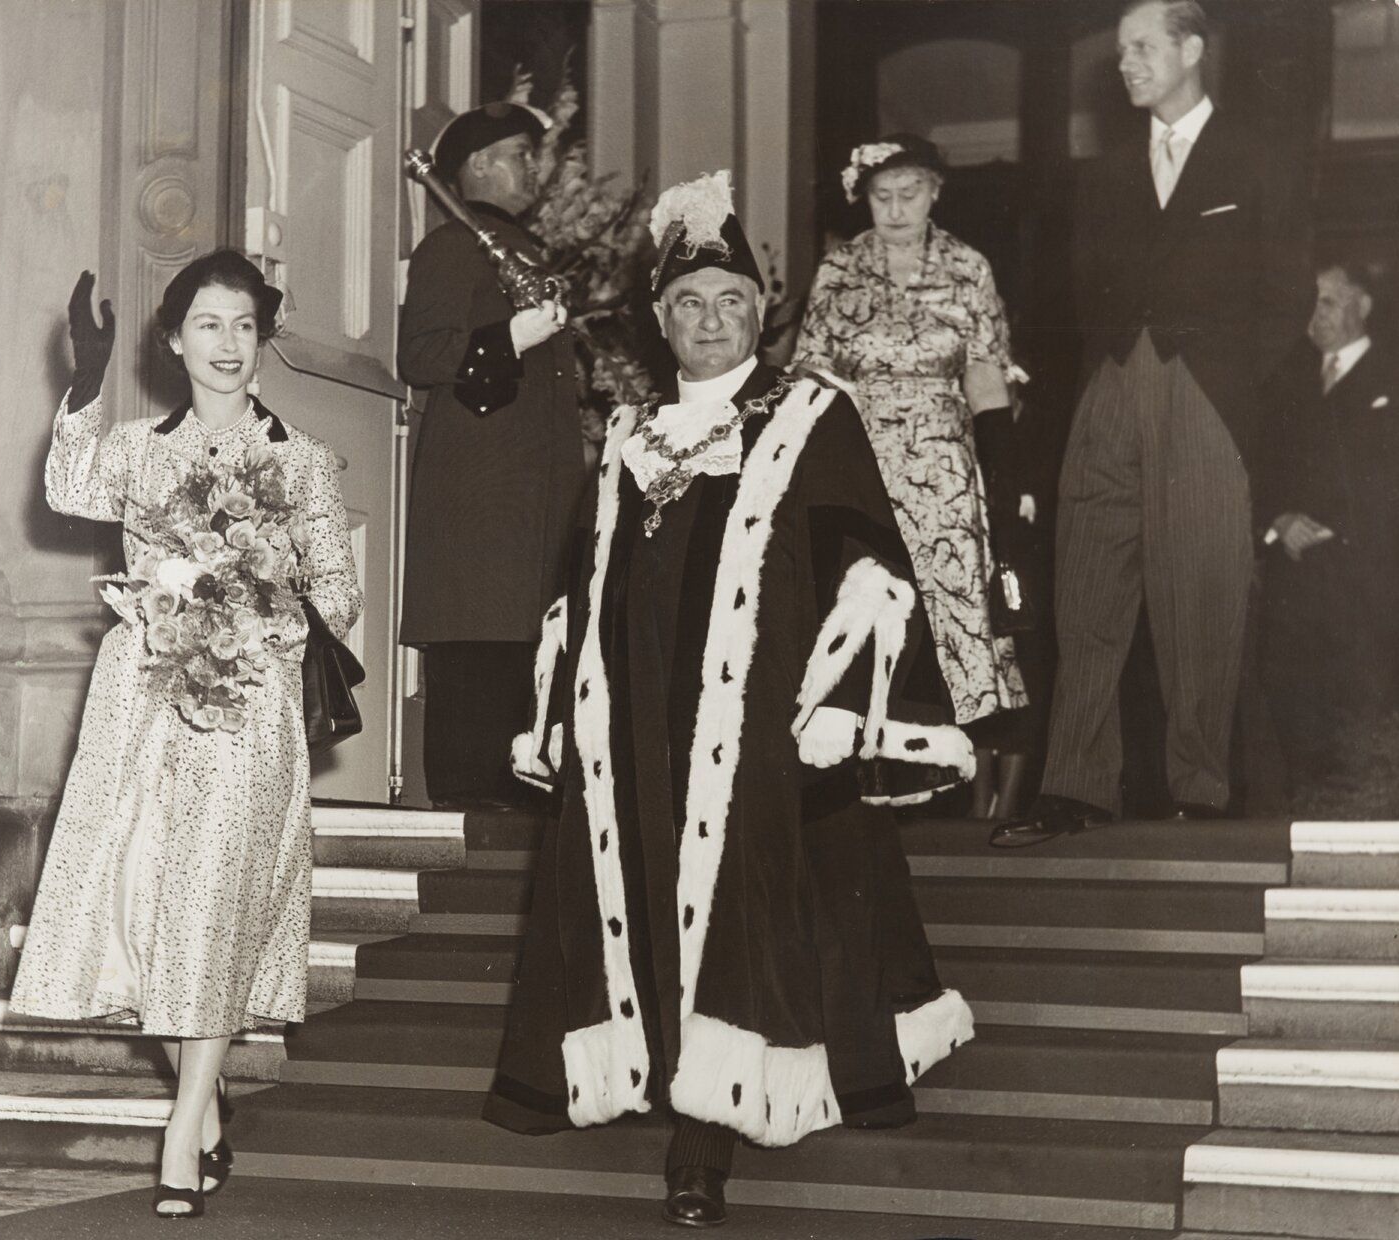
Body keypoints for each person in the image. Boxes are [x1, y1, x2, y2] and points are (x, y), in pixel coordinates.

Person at [482, 171, 975, 1229]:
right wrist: (563, 714)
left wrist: (834, 709)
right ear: (661, 322)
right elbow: (580, 586)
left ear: (761, 312)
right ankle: (659, 1075)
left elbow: (866, 563)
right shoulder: (626, 433)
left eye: (731, 303)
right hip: (633, 723)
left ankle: (700, 1144)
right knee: (649, 900)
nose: (710, 323)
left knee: (736, 913)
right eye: (688, 306)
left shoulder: (809, 415)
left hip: (754, 724)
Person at [10, 252, 362, 1218]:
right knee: (139, 905)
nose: (229, 344)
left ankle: (181, 1129)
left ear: (263, 339)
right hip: (144, 701)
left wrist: (252, 606)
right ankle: (203, 1112)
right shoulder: (135, 449)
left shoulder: (302, 461)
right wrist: (82, 381)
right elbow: (69, 488)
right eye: (208, 324)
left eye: (245, 325)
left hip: (249, 702)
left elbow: (338, 593)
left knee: (213, 908)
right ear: (173, 340)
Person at [993, 0, 1309, 847]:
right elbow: (1077, 300)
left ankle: (1198, 792)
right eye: (1122, 50)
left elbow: (1289, 299)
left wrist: (1225, 382)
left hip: (1203, 394)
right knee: (1086, 588)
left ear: (1193, 48)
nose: (1126, 63)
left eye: (1143, 47)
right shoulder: (1103, 176)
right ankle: (1074, 790)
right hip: (1109, 391)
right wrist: (1101, 381)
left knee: (1198, 597)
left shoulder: (1258, 160)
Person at [791, 133, 1031, 815]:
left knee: (957, 621)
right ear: (861, 198)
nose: (895, 210)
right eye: (881, 197)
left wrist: (1006, 493)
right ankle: (861, 778)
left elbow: (988, 387)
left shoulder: (967, 267)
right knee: (862, 605)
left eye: (910, 195)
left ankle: (969, 798)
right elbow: (813, 379)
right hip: (859, 461)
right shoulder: (839, 270)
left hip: (946, 469)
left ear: (935, 192)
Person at [398, 101, 585, 809]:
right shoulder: (454, 245)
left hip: (527, 502)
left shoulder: (517, 248)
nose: (533, 167)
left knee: (523, 660)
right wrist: (515, 337)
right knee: (478, 655)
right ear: (477, 166)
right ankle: (467, 826)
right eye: (519, 153)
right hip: (480, 499)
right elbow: (421, 355)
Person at [1256, 261, 1399, 789]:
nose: (1313, 316)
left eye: (1329, 302)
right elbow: (1261, 465)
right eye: (1309, 302)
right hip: (1294, 589)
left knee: (1363, 736)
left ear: (1364, 307)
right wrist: (1280, 519)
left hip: (1369, 589)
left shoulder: (1391, 376)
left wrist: (1335, 525)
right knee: (1295, 734)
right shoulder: (1285, 378)